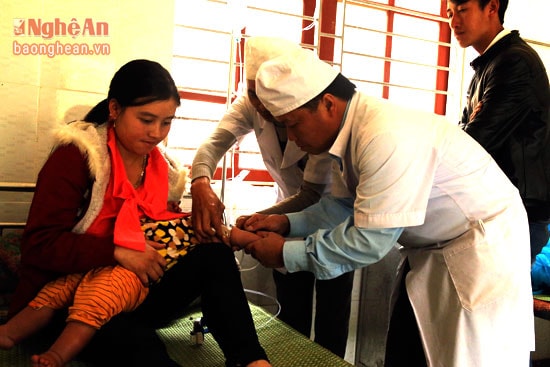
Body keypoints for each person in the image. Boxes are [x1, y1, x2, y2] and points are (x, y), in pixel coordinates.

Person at [232, 47, 535, 366]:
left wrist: (285, 253)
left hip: (480, 251)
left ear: (328, 104)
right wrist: (286, 224)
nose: (291, 139)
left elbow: (369, 240)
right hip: (434, 253)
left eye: (293, 124)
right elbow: (341, 207)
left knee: (466, 357)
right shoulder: (348, 134)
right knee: (409, 348)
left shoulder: (383, 134)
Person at [2, 59, 270, 367]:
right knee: (137, 344)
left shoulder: (163, 170)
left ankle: (250, 360)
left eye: (167, 122)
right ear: (115, 110)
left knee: (216, 256)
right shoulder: (76, 157)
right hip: (66, 305)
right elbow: (39, 246)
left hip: (132, 292)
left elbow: (165, 234)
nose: (156, 133)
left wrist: (216, 232)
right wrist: (117, 252)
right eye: (146, 120)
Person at [191, 36, 353, 357]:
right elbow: (213, 144)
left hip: (333, 219)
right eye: (253, 91)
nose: (261, 103)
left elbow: (312, 195)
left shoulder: (316, 116)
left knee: (331, 322)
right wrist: (199, 182)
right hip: (285, 218)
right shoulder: (250, 105)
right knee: (292, 318)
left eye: (267, 92)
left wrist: (256, 223)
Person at [447, 0, 550, 263]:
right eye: (449, 13)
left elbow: (473, 141)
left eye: (462, 10)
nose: (453, 22)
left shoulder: (514, 61)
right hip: (497, 210)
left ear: (492, 7)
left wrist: (470, 127)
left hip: (518, 214)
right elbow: (463, 132)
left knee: (493, 303)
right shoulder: (487, 65)